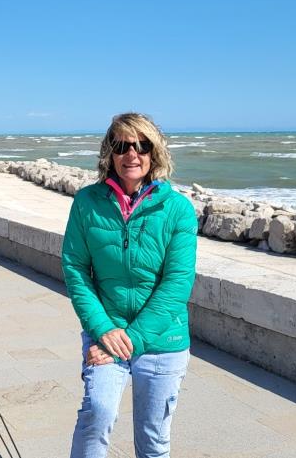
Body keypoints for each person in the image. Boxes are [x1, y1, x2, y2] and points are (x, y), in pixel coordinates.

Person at [62, 112, 198, 458]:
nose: (132, 154)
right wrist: (103, 330)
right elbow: (75, 269)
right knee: (97, 415)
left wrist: (129, 341)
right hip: (106, 331)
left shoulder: (177, 209)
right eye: (122, 146)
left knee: (153, 441)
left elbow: (177, 284)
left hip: (163, 339)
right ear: (110, 153)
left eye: (142, 146)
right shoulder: (87, 203)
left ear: (154, 153)